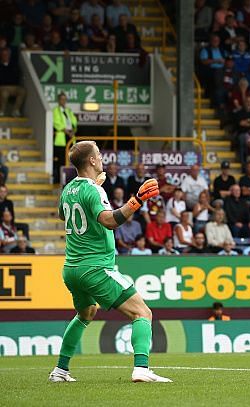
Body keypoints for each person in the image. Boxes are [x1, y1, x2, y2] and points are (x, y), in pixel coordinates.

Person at [50, 140, 171, 383]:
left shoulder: (68, 189)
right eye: (99, 154)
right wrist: (136, 201)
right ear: (92, 161)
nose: (102, 158)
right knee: (142, 313)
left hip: (71, 269)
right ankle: (141, 368)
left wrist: (93, 187)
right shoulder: (94, 190)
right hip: (95, 267)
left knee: (86, 314)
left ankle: (60, 371)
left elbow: (63, 214)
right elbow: (109, 220)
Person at [52, 92, 77, 183]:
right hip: (61, 138)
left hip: (70, 136)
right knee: (61, 160)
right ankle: (59, 179)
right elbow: (56, 122)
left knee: (71, 159)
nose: (63, 101)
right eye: (62, 99)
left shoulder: (68, 110)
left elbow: (74, 121)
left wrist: (73, 130)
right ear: (58, 100)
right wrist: (66, 130)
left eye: (65, 99)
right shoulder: (55, 110)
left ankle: (69, 178)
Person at [0, 47, 26, 117]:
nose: (5, 56)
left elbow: (17, 76)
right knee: (4, 93)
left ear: (9, 55)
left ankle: (15, 111)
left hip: (13, 87)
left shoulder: (14, 65)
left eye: (7, 54)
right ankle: (1, 111)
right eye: (3, 54)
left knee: (22, 91)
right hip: (2, 87)